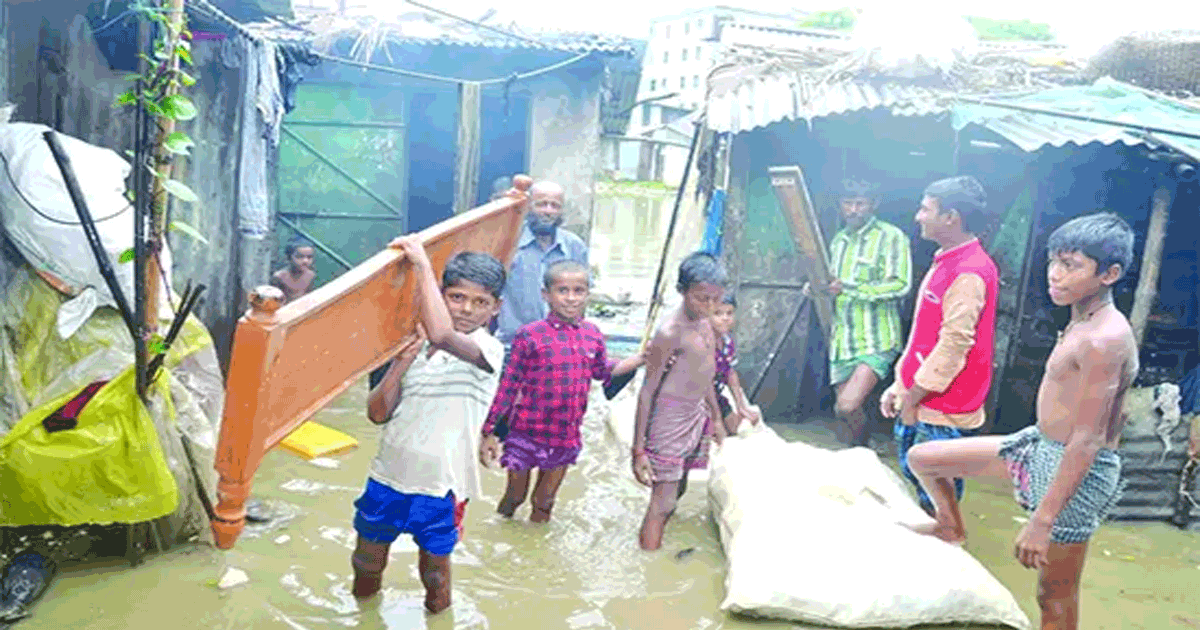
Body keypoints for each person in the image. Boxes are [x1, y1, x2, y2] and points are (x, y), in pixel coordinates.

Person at [903, 212, 1137, 630]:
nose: (1056, 276)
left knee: (1055, 595)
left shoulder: (1105, 339)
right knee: (924, 458)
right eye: (1054, 262)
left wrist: (1041, 521)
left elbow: (1087, 439)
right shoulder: (1081, 321)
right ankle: (949, 526)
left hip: (1077, 471)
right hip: (1037, 446)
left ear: (1110, 273)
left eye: (1071, 266)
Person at [351, 235, 507, 614]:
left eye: (480, 302)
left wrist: (421, 261)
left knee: (435, 576)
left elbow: (442, 334)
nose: (467, 309)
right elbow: (377, 413)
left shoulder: (488, 351)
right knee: (365, 566)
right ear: (442, 296)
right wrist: (403, 361)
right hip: (387, 477)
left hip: (442, 487)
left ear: (495, 308)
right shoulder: (410, 343)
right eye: (456, 297)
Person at [479, 259, 643, 523]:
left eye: (579, 291)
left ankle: (535, 548)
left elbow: (601, 372)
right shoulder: (529, 335)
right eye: (562, 290)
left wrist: (640, 359)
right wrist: (489, 432)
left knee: (544, 503)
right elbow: (508, 386)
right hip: (525, 432)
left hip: (564, 435)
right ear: (546, 295)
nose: (571, 298)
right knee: (515, 497)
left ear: (588, 294)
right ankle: (500, 530)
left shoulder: (593, 335)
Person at [879, 175, 998, 516]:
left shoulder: (969, 272)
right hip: (923, 395)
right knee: (920, 483)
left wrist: (913, 398)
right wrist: (900, 386)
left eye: (925, 208)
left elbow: (953, 346)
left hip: (942, 406)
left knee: (936, 497)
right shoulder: (946, 259)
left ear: (951, 217)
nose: (918, 216)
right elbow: (924, 333)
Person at [633, 252, 728, 551]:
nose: (710, 306)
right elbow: (647, 391)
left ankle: (659, 543)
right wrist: (638, 449)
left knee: (681, 486)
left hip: (696, 414)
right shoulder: (670, 332)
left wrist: (716, 418)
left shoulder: (704, 323)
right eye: (702, 299)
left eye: (716, 299)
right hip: (669, 420)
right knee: (662, 501)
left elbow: (707, 375)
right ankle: (649, 564)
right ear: (682, 291)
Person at [824, 178, 912, 447]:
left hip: (877, 338)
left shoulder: (891, 237)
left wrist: (850, 289)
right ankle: (862, 453)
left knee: (847, 407)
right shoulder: (839, 241)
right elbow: (832, 284)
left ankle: (864, 449)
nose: (852, 210)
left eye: (859, 203)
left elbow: (901, 283)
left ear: (874, 204)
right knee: (844, 411)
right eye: (847, 203)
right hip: (843, 339)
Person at [495, 180, 589, 347]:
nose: (548, 211)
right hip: (514, 344)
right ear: (529, 206)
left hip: (561, 345)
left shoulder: (574, 246)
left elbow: (582, 297)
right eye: (541, 204)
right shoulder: (508, 243)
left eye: (555, 206)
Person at [710, 293, 761, 435]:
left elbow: (730, 372)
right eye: (718, 313)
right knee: (715, 435)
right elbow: (705, 383)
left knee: (737, 428)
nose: (725, 318)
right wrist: (717, 420)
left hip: (717, 396)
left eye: (729, 313)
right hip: (698, 400)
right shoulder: (703, 343)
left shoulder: (727, 341)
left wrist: (741, 406)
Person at [270, 237, 317, 303]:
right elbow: (273, 302)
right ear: (289, 257)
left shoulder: (311, 276)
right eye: (300, 257)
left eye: (309, 257)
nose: (305, 261)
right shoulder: (279, 277)